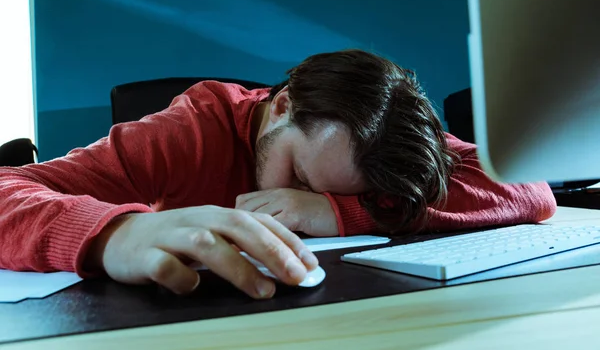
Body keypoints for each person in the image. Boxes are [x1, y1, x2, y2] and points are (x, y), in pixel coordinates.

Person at [0, 49, 556, 299]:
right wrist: (114, 231)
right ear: (284, 105)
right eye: (300, 174)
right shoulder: (189, 129)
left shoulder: (389, 133)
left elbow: (529, 188)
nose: (296, 198)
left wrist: (341, 211)